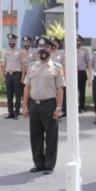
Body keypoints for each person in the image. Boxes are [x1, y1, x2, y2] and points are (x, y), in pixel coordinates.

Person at [22, 36, 65, 175]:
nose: (42, 51)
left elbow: (60, 89)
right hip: (34, 104)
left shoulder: (57, 67)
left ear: (50, 50)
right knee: (35, 136)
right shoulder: (32, 66)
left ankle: (49, 164)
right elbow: (27, 87)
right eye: (40, 48)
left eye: (45, 48)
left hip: (49, 105)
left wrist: (59, 108)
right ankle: (38, 164)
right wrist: (24, 106)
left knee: (51, 136)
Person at [2, 33, 24, 119]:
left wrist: (22, 76)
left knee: (18, 95)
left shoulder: (20, 51)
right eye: (9, 40)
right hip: (8, 75)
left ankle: (17, 112)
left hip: (17, 75)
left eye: (12, 40)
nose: (11, 41)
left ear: (16, 40)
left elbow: (22, 64)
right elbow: (4, 64)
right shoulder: (6, 51)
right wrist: (3, 76)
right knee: (9, 95)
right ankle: (10, 112)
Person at [76, 34, 92, 113]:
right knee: (72, 92)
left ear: (81, 42)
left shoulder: (85, 51)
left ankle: (82, 107)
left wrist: (89, 77)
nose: (77, 42)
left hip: (82, 73)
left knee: (82, 92)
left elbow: (88, 64)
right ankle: (73, 108)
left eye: (78, 41)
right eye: (76, 40)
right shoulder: (69, 50)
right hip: (72, 74)